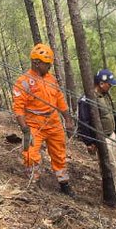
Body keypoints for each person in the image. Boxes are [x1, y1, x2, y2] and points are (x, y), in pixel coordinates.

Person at [12, 43, 73, 196]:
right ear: (36, 63)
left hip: (53, 122)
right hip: (34, 123)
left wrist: (68, 119)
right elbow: (18, 108)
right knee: (30, 153)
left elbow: (59, 99)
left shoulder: (51, 79)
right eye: (47, 64)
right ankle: (34, 182)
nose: (49, 67)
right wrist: (25, 129)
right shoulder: (24, 81)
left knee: (59, 153)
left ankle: (64, 183)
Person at [76, 68, 116, 207]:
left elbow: (111, 110)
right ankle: (112, 194)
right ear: (101, 83)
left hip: (110, 135)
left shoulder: (105, 95)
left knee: (112, 164)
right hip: (101, 138)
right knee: (109, 165)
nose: (110, 86)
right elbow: (83, 122)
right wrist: (89, 142)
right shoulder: (86, 99)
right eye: (109, 84)